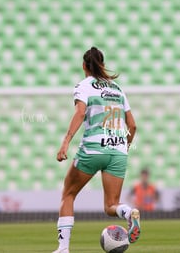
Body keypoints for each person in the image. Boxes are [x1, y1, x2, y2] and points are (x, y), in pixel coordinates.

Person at [52, 47, 140, 253]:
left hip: (93, 149)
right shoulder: (117, 89)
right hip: (118, 151)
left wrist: (65, 141)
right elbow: (133, 126)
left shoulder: (84, 86)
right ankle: (128, 213)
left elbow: (80, 112)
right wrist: (123, 147)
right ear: (102, 63)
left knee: (68, 194)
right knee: (111, 205)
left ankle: (63, 249)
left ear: (84, 66)